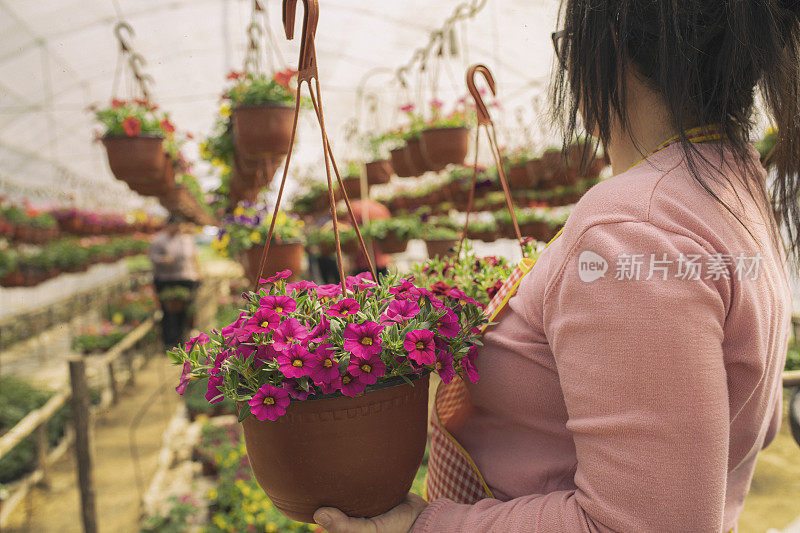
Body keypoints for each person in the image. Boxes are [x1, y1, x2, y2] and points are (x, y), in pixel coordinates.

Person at [314, 1, 799, 531]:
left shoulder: (631, 224)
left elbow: (642, 524)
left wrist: (424, 526)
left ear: (606, 46)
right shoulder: (730, 186)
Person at [149, 215, 200, 349]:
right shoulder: (158, 240)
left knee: (184, 311)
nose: (178, 229)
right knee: (167, 313)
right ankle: (168, 342)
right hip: (165, 280)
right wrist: (164, 261)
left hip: (184, 279)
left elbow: (193, 257)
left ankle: (181, 341)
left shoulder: (185, 239)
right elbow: (152, 258)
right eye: (175, 226)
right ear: (168, 225)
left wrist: (197, 274)